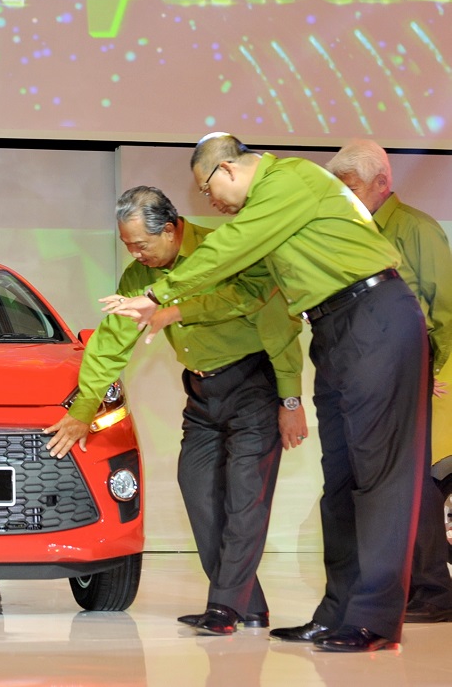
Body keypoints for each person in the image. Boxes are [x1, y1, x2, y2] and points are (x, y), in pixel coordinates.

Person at [104, 134, 429, 653]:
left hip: (376, 316)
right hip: (333, 327)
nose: (208, 202)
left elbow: (227, 253)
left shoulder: (287, 181)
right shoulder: (264, 211)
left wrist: (157, 295)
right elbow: (249, 289)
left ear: (229, 169)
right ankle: (338, 612)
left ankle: (375, 619)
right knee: (342, 480)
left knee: (380, 477)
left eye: (207, 187)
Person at [44, 186, 306, 635]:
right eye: (127, 246)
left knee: (245, 498)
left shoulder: (221, 252)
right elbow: (110, 343)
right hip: (202, 394)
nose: (135, 255)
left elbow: (272, 320)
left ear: (169, 230)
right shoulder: (137, 277)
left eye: (141, 245)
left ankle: (224, 608)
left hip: (253, 385)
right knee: (198, 489)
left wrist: (290, 400)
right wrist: (83, 407)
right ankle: (251, 605)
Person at [326, 138, 452, 623]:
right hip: (360, 373)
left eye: (351, 184)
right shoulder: (345, 230)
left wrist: (430, 365)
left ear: (382, 182)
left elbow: (444, 306)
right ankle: (388, 584)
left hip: (406, 370)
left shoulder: (416, 229)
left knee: (410, 480)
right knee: (368, 479)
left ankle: (433, 590)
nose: (344, 194)